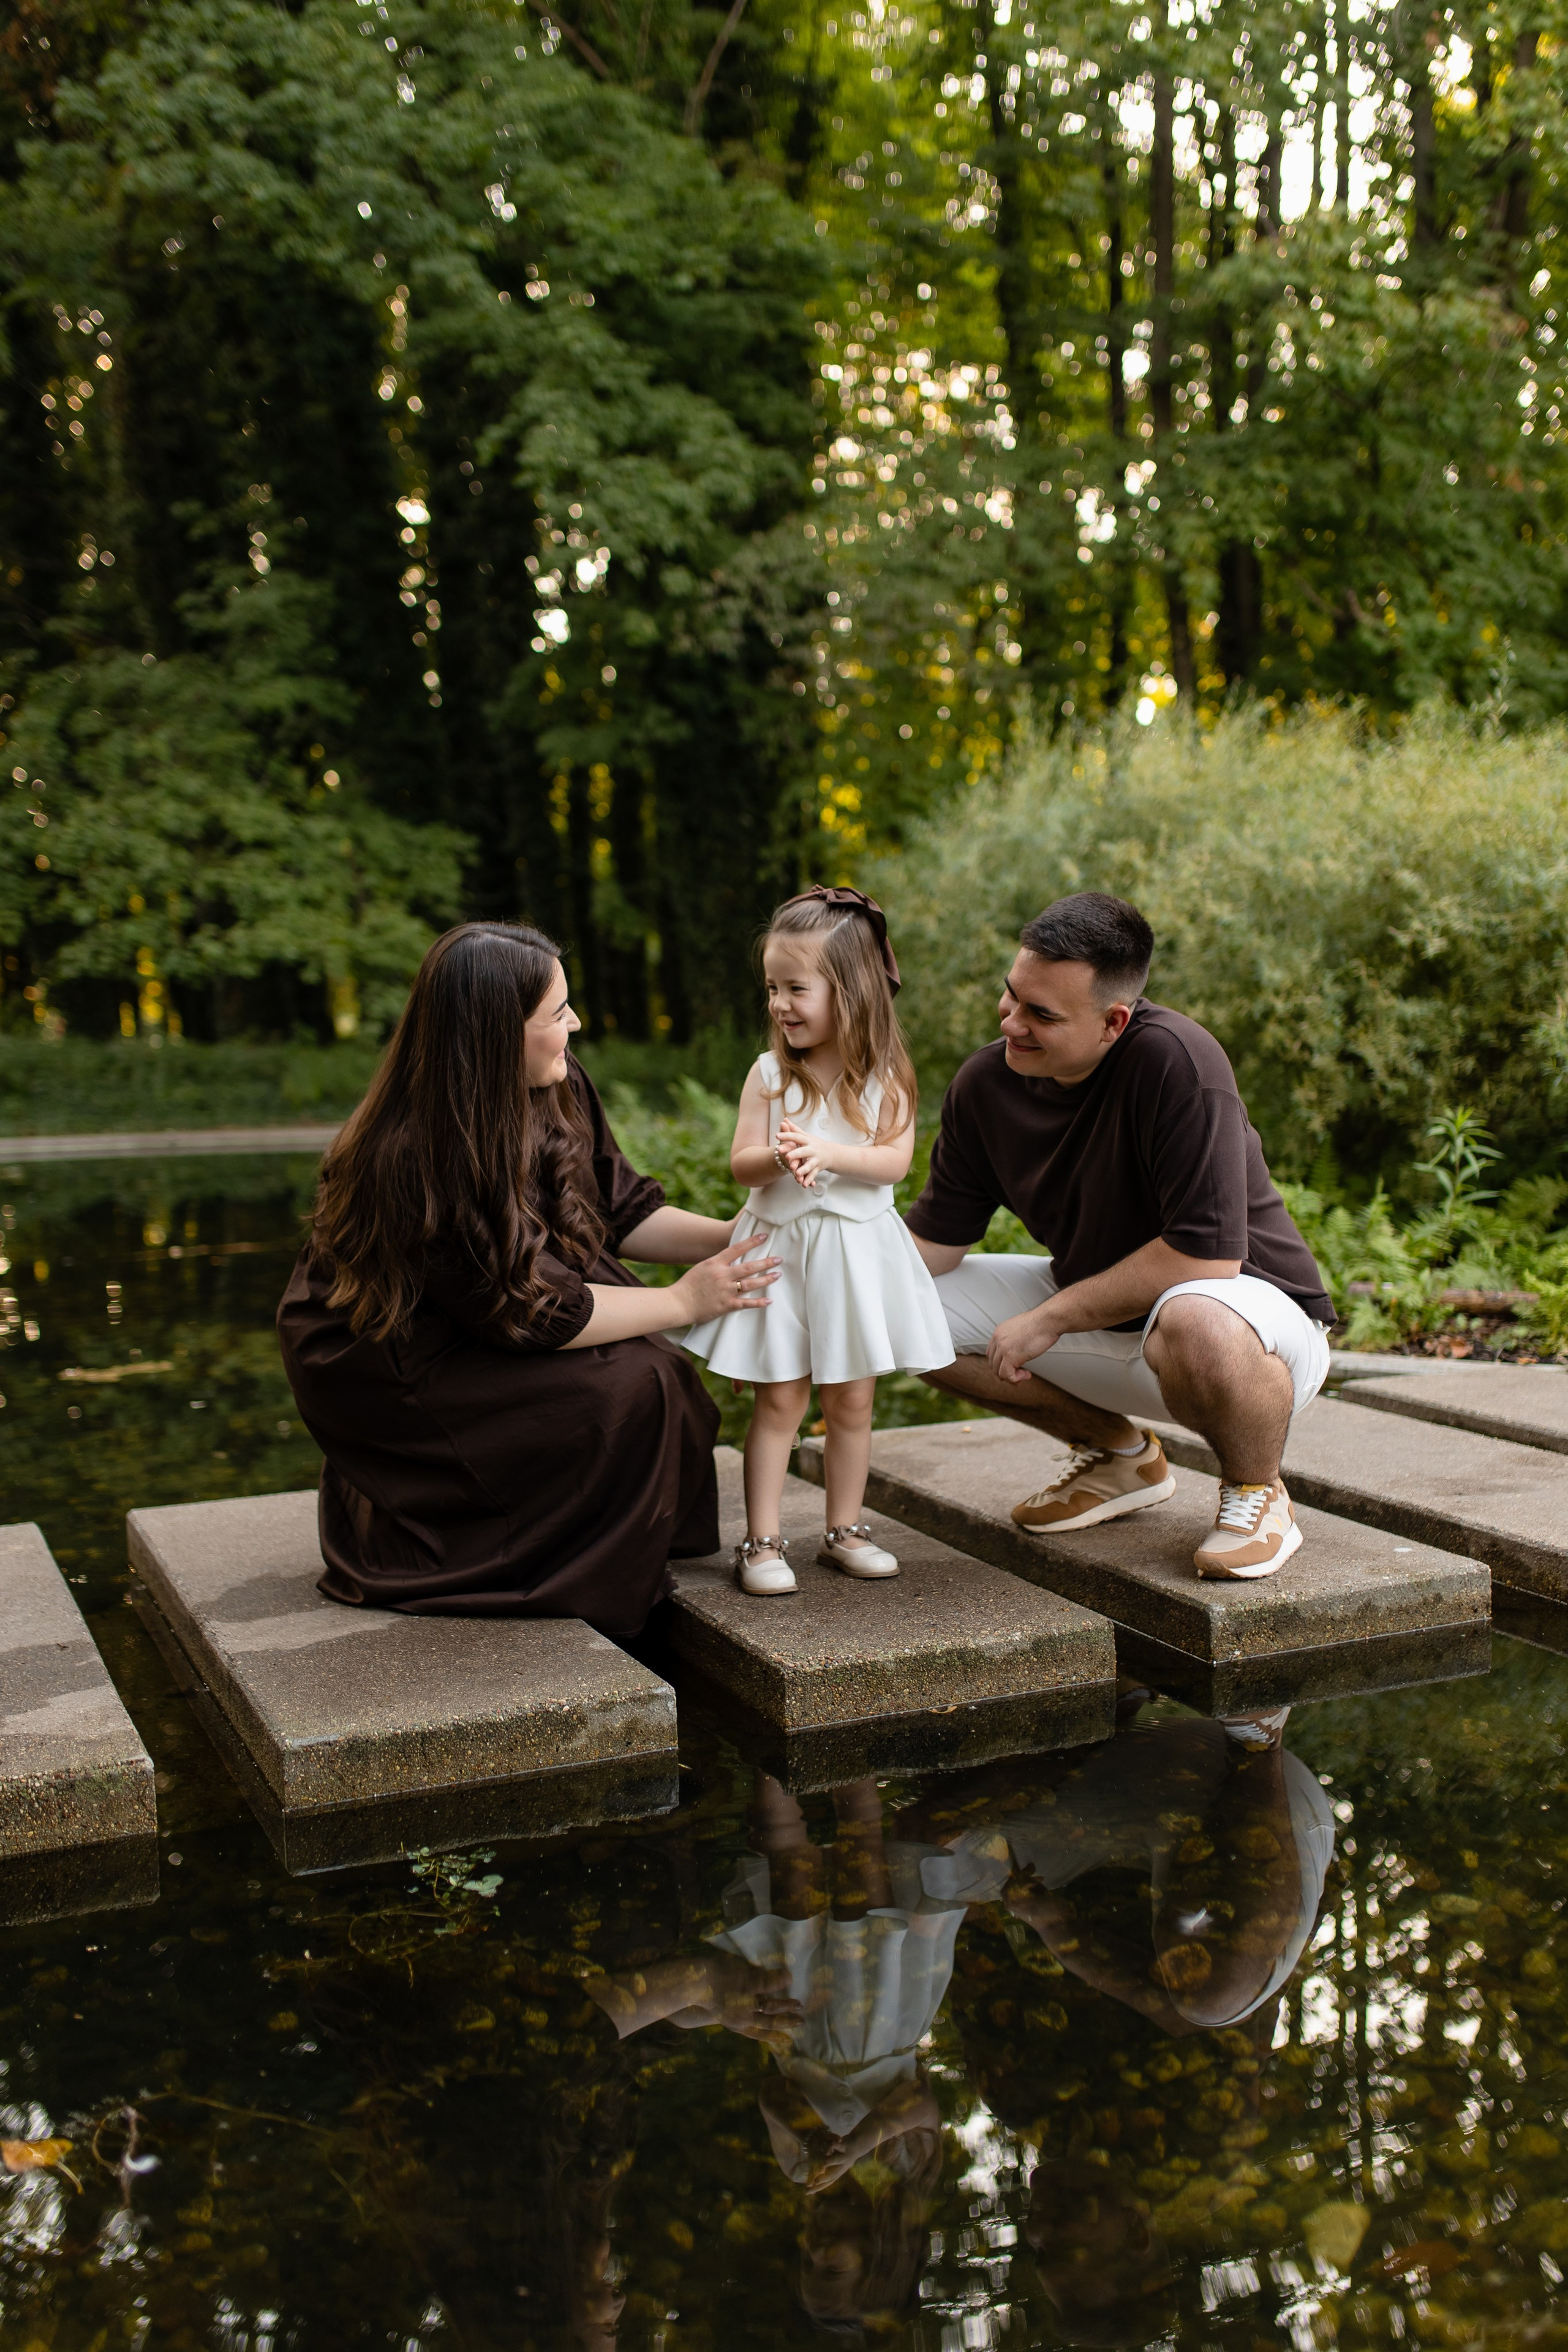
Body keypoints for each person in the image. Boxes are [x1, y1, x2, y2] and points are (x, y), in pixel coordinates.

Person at [276, 921, 778, 1637]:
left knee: (658, 1372)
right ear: (491, 1034)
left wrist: (745, 1237)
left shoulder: (558, 1078)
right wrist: (682, 1299)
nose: (574, 1023)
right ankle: (504, 1550)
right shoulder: (417, 1153)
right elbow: (532, 1310)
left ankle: (599, 1538)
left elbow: (624, 1209)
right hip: (396, 1356)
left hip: (491, 1303)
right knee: (627, 1389)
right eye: (556, 1014)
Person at [904, 891, 1335, 1578]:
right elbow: (933, 1245)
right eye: (1011, 997)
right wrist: (813, 1279)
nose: (1012, 1023)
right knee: (892, 1307)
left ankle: (1257, 1491)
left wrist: (1048, 1317)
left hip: (1250, 1329)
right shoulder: (987, 1083)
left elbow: (1206, 1257)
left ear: (1113, 1021)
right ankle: (1118, 1457)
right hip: (1107, 1319)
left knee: (1193, 1318)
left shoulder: (1178, 1064)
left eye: (1041, 1015)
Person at [682, 886, 953, 1596]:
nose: (779, 1004)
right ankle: (762, 1541)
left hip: (855, 1258)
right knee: (778, 1400)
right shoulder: (770, 1074)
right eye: (772, 988)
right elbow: (741, 1161)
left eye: (796, 988)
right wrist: (779, 1155)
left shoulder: (886, 1075)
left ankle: (843, 1529)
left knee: (851, 1402)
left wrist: (828, 1154)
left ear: (851, 990)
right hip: (782, 1256)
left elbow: (894, 1162)